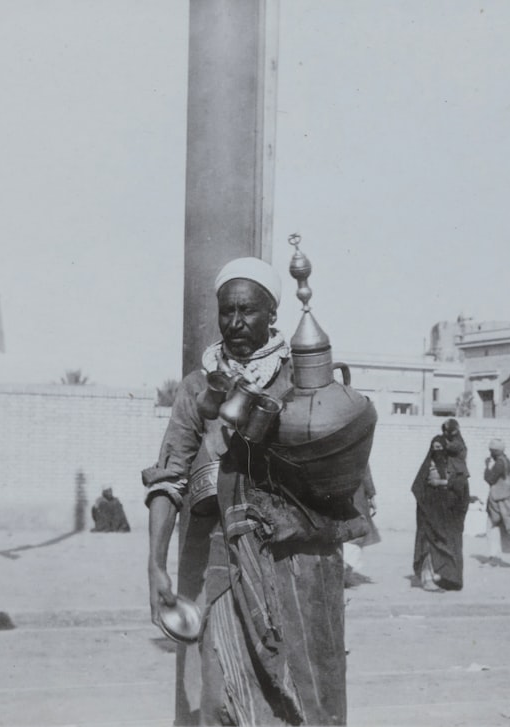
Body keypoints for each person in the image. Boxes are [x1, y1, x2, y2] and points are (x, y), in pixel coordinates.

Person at [144, 257, 363, 725]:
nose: (236, 322)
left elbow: (341, 475)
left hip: (295, 564)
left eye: (248, 311)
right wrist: (155, 565)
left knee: (299, 698)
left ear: (273, 316)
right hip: (221, 565)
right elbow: (168, 478)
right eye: (227, 311)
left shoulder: (300, 382)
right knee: (223, 696)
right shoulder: (197, 387)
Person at [411, 418, 470, 591]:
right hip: (429, 512)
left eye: (440, 448)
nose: (437, 450)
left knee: (449, 544)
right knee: (428, 544)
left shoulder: (452, 466)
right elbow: (417, 486)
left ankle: (448, 578)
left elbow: (461, 488)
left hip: (447, 513)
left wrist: (443, 484)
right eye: (434, 448)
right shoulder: (428, 465)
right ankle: (427, 578)